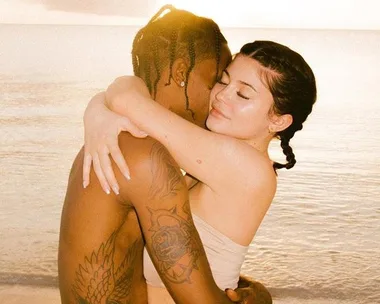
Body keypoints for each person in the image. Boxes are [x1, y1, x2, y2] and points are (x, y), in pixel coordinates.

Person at [83, 30, 317, 304]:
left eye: (242, 94)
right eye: (222, 81)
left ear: (278, 121)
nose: (221, 95)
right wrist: (99, 110)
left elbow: (126, 97)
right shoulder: (221, 161)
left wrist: (96, 112)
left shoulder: (244, 167)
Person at [58, 5, 270, 304]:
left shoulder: (121, 137)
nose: (217, 97)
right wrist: (262, 299)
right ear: (182, 72)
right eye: (215, 81)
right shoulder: (147, 158)